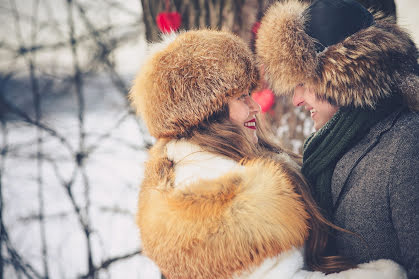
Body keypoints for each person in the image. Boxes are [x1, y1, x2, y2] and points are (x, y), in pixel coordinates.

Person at [129, 29, 407, 279]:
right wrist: (383, 274)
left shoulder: (187, 169)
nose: (254, 107)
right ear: (205, 111)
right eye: (241, 97)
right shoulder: (223, 198)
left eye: (250, 93)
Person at [255, 0, 419, 278]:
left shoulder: (406, 143)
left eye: (303, 84)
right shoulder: (325, 148)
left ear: (340, 77)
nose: (296, 100)